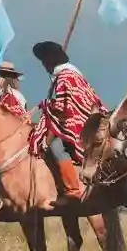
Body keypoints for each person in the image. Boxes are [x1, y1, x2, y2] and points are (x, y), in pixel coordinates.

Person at [28, 40, 107, 210]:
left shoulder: (65, 77)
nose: (44, 66)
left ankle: (72, 190)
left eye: (44, 62)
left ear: (51, 61)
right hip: (86, 120)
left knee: (54, 145)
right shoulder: (70, 75)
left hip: (81, 122)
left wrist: (46, 104)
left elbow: (64, 108)